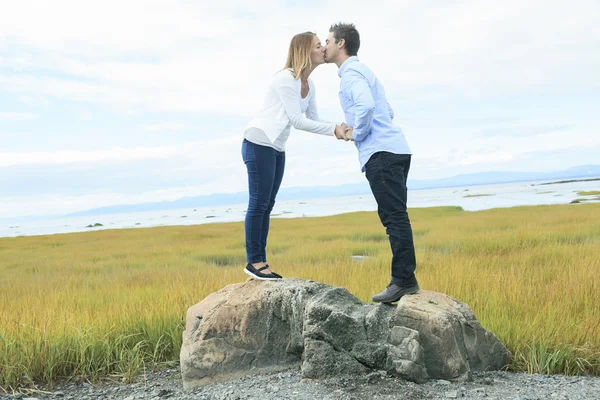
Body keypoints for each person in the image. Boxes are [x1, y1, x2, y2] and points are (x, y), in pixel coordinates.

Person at [323, 22, 420, 303]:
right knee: (398, 217)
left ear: (341, 43)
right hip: (396, 149)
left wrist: (359, 133)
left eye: (328, 41)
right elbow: (386, 110)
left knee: (394, 219)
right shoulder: (365, 70)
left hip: (381, 154)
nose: (324, 46)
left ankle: (403, 281)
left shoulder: (351, 73)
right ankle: (405, 280)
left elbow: (366, 107)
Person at [242, 32, 348, 281]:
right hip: (259, 141)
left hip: (277, 146)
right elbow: (298, 121)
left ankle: (261, 261)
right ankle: (254, 261)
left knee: (268, 204)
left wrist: (339, 128)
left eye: (323, 44)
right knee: (258, 203)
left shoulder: (308, 85)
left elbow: (313, 119)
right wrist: (334, 130)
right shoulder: (285, 79)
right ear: (304, 51)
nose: (324, 49)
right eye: (318, 45)